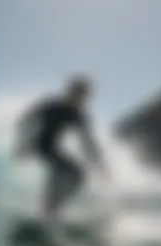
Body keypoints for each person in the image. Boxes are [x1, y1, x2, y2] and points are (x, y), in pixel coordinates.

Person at [14, 76, 109, 220]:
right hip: (36, 144)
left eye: (84, 96)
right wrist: (23, 142)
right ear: (69, 92)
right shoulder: (52, 106)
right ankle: (48, 209)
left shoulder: (78, 116)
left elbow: (88, 143)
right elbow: (26, 120)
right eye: (77, 93)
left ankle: (51, 208)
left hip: (51, 148)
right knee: (62, 171)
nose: (80, 99)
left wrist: (100, 166)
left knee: (78, 175)